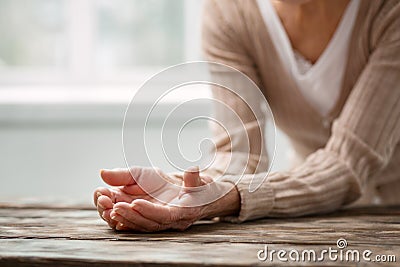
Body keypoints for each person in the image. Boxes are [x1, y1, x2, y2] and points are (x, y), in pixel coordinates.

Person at [94, 0, 400, 232]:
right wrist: (196, 190)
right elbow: (240, 155)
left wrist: (228, 198)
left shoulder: (388, 11)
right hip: (317, 215)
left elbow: (348, 163)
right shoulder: (230, 12)